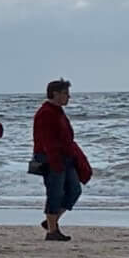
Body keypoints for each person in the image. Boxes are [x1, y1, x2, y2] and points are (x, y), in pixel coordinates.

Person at [32, 78, 94, 241]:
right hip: (51, 158)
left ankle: (51, 222)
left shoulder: (57, 111)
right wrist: (55, 162)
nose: (69, 97)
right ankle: (52, 231)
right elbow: (47, 141)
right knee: (55, 193)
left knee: (74, 190)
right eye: (65, 94)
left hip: (66, 157)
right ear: (55, 94)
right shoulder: (46, 112)